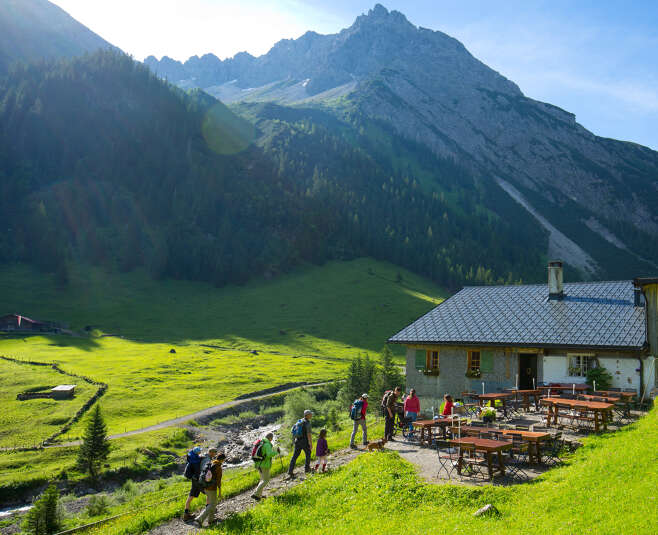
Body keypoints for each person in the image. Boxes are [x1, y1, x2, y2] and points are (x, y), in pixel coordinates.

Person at [194, 449, 225, 527]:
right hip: (212, 487)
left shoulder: (211, 463)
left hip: (205, 486)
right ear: (222, 460)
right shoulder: (218, 467)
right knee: (212, 504)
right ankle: (199, 519)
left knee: (213, 504)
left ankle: (211, 520)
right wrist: (220, 490)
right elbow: (218, 480)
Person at [251, 432, 280, 501]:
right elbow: (269, 455)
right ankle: (255, 494)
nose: (272, 440)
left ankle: (259, 495)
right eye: (272, 439)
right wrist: (277, 452)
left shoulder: (262, 442)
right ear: (270, 438)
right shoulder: (267, 444)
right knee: (266, 480)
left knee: (262, 479)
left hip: (258, 464)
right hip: (264, 464)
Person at [287, 409, 313, 479]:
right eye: (310, 414)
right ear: (307, 415)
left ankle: (290, 471)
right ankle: (307, 469)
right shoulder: (307, 423)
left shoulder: (300, 421)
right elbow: (309, 434)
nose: (311, 415)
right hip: (304, 441)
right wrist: (310, 444)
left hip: (297, 441)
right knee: (308, 453)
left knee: (295, 456)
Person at [183, 446, 206, 521]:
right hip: (197, 480)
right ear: (197, 452)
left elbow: (197, 459)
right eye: (200, 451)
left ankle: (186, 514)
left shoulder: (192, 457)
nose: (200, 452)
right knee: (208, 492)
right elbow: (197, 472)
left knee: (191, 495)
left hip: (193, 479)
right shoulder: (196, 462)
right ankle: (210, 509)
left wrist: (200, 458)